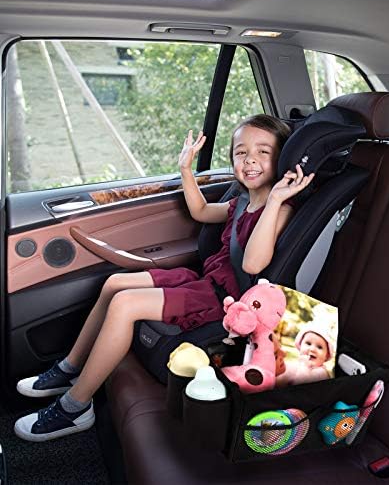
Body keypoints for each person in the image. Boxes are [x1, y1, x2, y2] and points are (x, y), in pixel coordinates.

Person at [14, 114, 314, 442]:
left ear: (281, 159)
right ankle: (71, 368)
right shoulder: (241, 201)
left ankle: (76, 407)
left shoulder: (279, 209)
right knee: (114, 284)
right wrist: (186, 169)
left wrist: (274, 201)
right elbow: (201, 212)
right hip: (206, 280)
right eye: (241, 152)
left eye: (263, 152)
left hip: (224, 299)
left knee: (125, 304)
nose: (250, 160)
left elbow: (253, 263)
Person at [276, 312, 337, 387]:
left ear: (326, 356)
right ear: (300, 345)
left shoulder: (321, 373)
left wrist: (304, 366)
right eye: (308, 343)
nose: (312, 349)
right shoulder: (296, 364)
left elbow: (301, 384)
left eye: (319, 347)